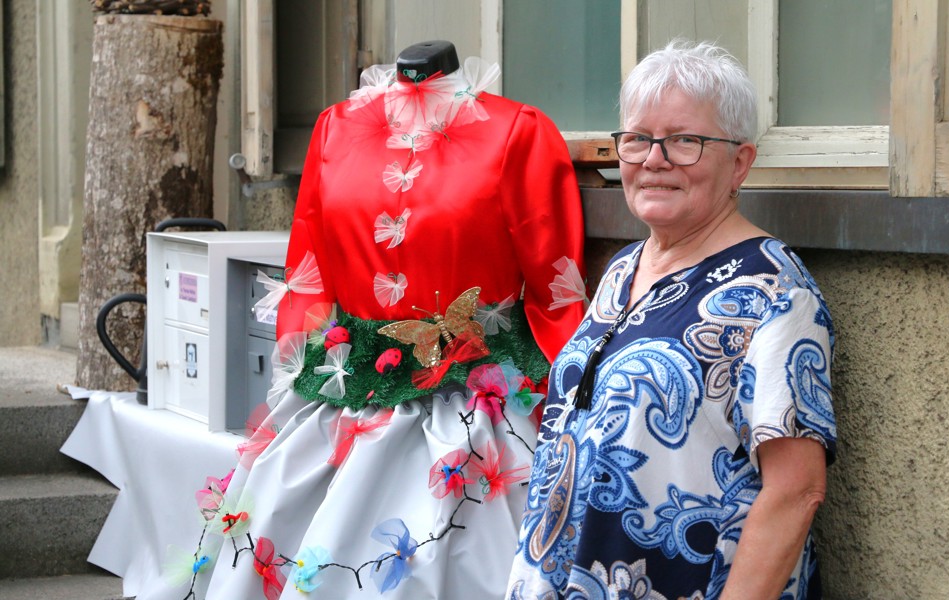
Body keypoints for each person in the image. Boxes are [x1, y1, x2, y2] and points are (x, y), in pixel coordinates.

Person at [149, 41, 587, 599]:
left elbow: (556, 287)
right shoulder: (335, 127)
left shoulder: (518, 130)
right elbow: (309, 264)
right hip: (344, 390)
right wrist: (298, 357)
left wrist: (571, 392)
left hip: (477, 397)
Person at [506, 40, 837, 599]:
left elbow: (796, 491)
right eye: (638, 139)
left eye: (685, 140)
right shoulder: (623, 270)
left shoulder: (775, 293)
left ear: (740, 162)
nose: (654, 159)